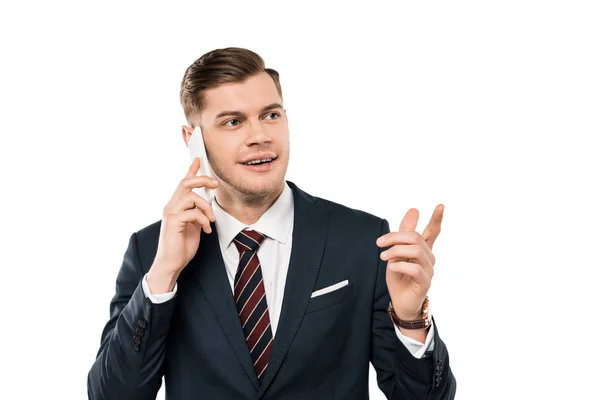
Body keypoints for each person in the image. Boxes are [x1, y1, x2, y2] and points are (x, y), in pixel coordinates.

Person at [87, 47, 456, 399]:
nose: (260, 136)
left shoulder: (362, 240)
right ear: (193, 140)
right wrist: (163, 275)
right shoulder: (152, 251)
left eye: (271, 115)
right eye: (233, 122)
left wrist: (410, 321)